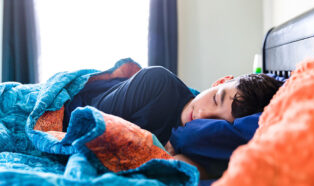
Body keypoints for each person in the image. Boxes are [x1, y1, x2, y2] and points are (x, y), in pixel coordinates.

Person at [63, 66, 283, 178]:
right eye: (216, 98)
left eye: (217, 122)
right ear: (222, 81)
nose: (204, 116)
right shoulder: (157, 83)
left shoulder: (203, 143)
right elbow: (84, 123)